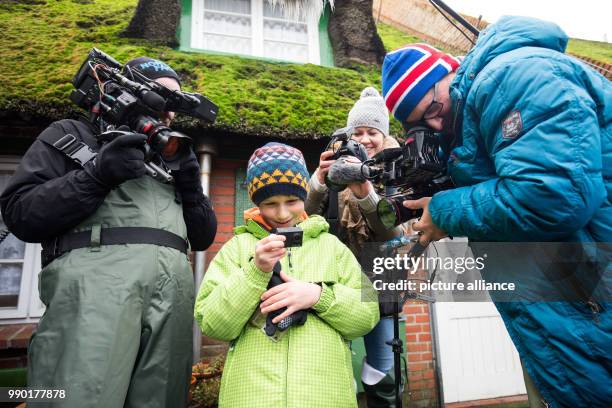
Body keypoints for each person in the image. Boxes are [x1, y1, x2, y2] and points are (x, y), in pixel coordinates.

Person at [381, 16, 611, 408]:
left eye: (434, 105)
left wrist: (444, 210)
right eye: (422, 123)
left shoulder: (513, 75)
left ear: (450, 70)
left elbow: (555, 196)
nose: (436, 122)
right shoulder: (470, 122)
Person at [0, 57, 217, 407]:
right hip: (94, 298)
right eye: (165, 100)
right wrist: (96, 175)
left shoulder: (170, 157)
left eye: (178, 105)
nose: (171, 114)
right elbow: (20, 213)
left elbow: (204, 238)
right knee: (81, 396)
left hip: (173, 300)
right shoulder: (69, 134)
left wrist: (191, 190)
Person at [194, 142, 379, 407]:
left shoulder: (331, 247)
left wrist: (318, 296)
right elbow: (213, 324)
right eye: (270, 203)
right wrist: (255, 271)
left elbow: (367, 315)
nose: (282, 214)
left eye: (292, 201)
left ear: (304, 195)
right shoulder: (237, 248)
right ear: (255, 202)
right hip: (251, 397)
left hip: (326, 397)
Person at [305, 87, 408, 407]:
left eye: (372, 132)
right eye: (358, 132)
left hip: (381, 282)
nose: (364, 139)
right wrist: (320, 180)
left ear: (384, 135)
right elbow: (306, 217)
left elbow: (395, 233)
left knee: (381, 365)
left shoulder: (397, 168)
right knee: (335, 361)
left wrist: (364, 190)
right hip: (338, 279)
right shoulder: (337, 167)